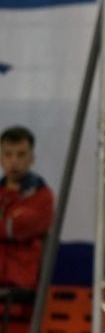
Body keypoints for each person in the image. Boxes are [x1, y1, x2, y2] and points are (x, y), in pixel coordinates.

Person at [0, 127, 52, 304]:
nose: (14, 161)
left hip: (20, 281)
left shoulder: (43, 196)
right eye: (8, 154)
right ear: (1, 158)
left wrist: (8, 222)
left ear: (32, 159)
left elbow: (13, 228)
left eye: (21, 154)